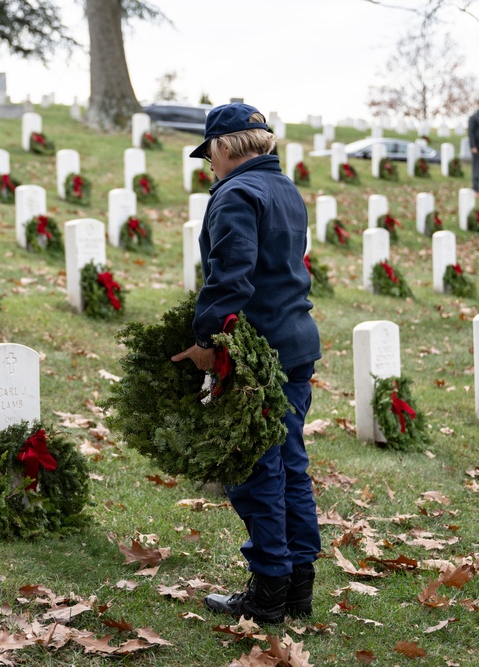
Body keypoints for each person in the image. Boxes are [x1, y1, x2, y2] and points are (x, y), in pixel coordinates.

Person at [171, 103, 322, 624]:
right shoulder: (284, 187)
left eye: (208, 152)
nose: (207, 164)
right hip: (297, 345)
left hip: (261, 354)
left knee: (255, 471)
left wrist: (207, 342)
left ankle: (269, 592)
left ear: (224, 146)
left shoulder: (236, 193)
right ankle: (298, 587)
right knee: (290, 466)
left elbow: (231, 276)